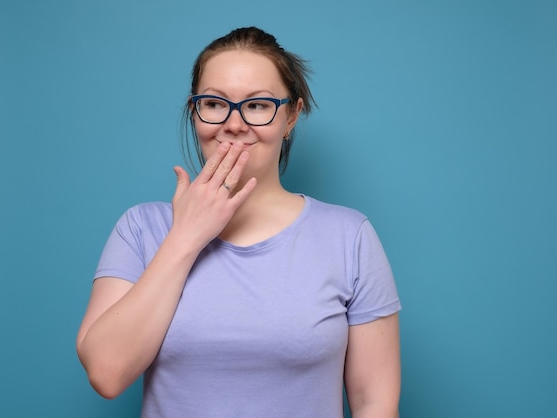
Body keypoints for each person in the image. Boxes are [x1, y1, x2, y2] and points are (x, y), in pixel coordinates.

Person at [77, 26, 401, 418]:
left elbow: (374, 404)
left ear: (292, 115)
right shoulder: (140, 228)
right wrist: (186, 237)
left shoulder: (349, 237)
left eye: (258, 105)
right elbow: (106, 374)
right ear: (194, 111)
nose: (234, 123)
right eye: (214, 103)